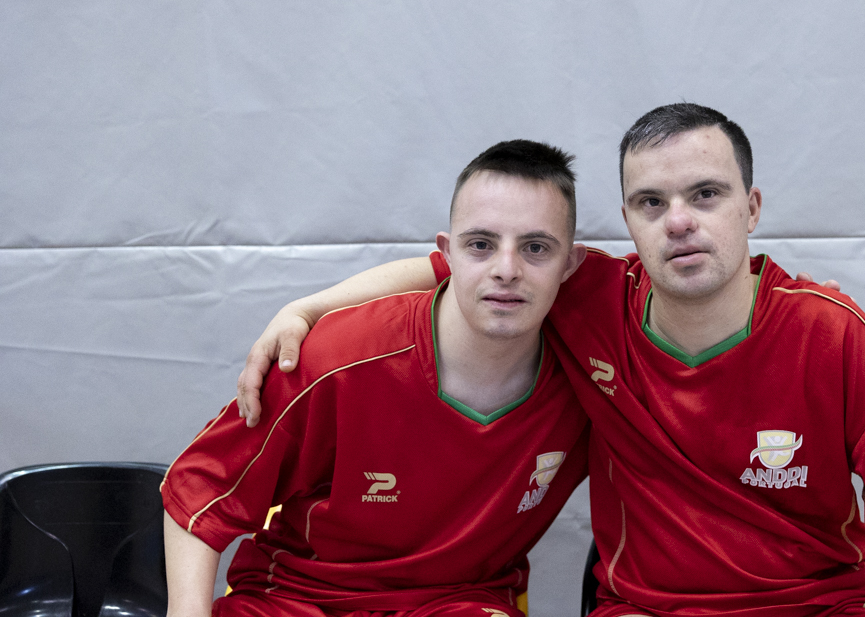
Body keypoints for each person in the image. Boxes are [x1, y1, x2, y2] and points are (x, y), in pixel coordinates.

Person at [238, 104, 865, 617]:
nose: (681, 221)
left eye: (705, 193)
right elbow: (456, 270)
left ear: (751, 208)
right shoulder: (584, 295)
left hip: (817, 603)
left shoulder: (833, 334)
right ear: (627, 219)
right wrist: (310, 309)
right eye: (652, 202)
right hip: (646, 608)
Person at [162, 141, 591, 617]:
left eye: (535, 248)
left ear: (571, 264)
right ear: (447, 254)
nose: (506, 270)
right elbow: (198, 495)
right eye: (481, 245)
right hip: (298, 596)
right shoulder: (332, 360)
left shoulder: (596, 369)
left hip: (459, 601)